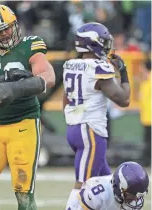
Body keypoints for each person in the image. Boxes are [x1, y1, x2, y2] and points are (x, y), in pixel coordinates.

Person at [0, 4, 55, 210]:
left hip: (24, 124)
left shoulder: (30, 44)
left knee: (23, 192)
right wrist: (1, 79)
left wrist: (18, 87)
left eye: (8, 27)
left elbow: (48, 77)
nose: (6, 33)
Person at [62, 22, 130, 210]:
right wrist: (123, 73)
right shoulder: (99, 68)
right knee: (83, 185)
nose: (107, 45)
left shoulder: (70, 64)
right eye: (104, 41)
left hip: (75, 129)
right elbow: (124, 100)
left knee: (108, 183)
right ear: (93, 43)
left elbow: (65, 101)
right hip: (90, 132)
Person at [77, 161, 149, 210]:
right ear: (118, 187)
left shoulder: (136, 200)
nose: (136, 199)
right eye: (132, 195)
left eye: (139, 196)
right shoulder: (97, 194)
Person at [139, 58, 151, 166]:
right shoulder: (144, 81)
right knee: (147, 142)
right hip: (146, 117)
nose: (140, 69)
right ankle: (146, 162)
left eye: (142, 67)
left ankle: (147, 161)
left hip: (150, 117)